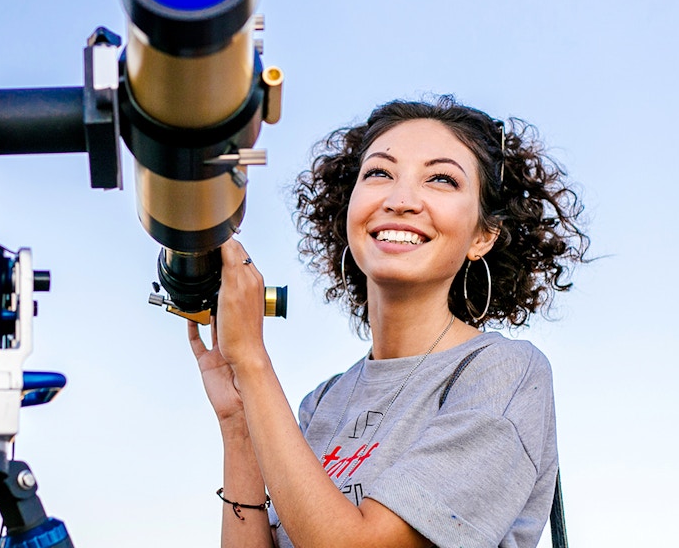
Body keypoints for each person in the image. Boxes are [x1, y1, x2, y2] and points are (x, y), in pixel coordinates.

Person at [188, 96, 588, 548]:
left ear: (482, 235)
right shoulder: (323, 403)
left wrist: (254, 361)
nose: (400, 200)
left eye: (441, 179)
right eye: (379, 172)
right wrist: (239, 420)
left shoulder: (503, 373)